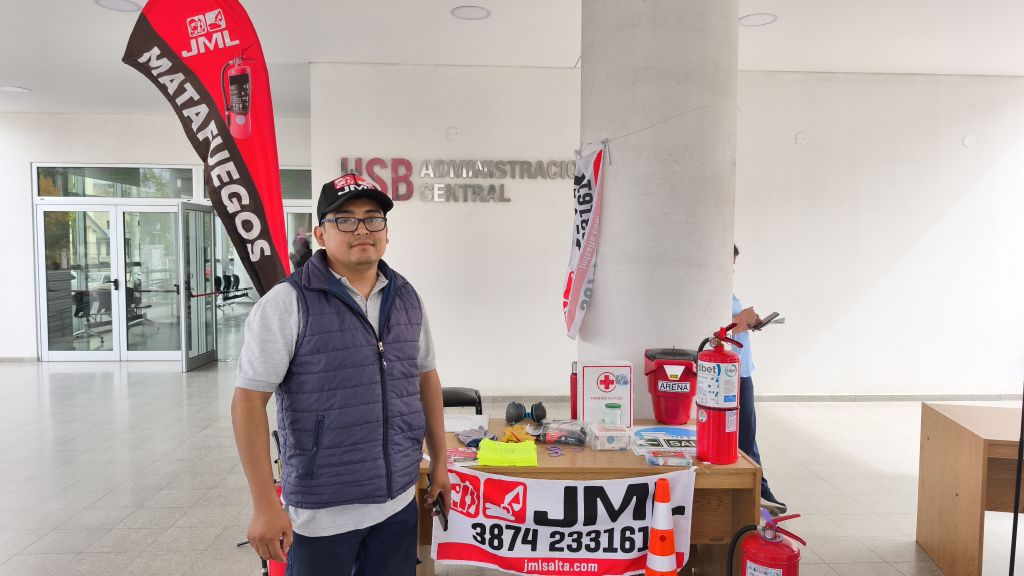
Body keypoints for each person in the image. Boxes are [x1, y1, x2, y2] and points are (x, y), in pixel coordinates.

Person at [232, 173, 450, 575]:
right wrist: (264, 503)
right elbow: (248, 399)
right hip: (322, 514)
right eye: (345, 219)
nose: (362, 229)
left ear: (386, 232)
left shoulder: (406, 297)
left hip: (398, 502)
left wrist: (440, 462)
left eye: (373, 218)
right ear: (320, 233)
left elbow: (426, 378)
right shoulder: (287, 302)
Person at [732, 244, 787, 517]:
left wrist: (748, 323)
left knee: (747, 436)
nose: (730, 270)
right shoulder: (712, 289)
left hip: (743, 371)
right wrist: (740, 320)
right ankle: (759, 492)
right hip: (727, 375)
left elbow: (732, 326)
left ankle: (761, 491)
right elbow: (715, 327)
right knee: (742, 437)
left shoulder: (728, 292)